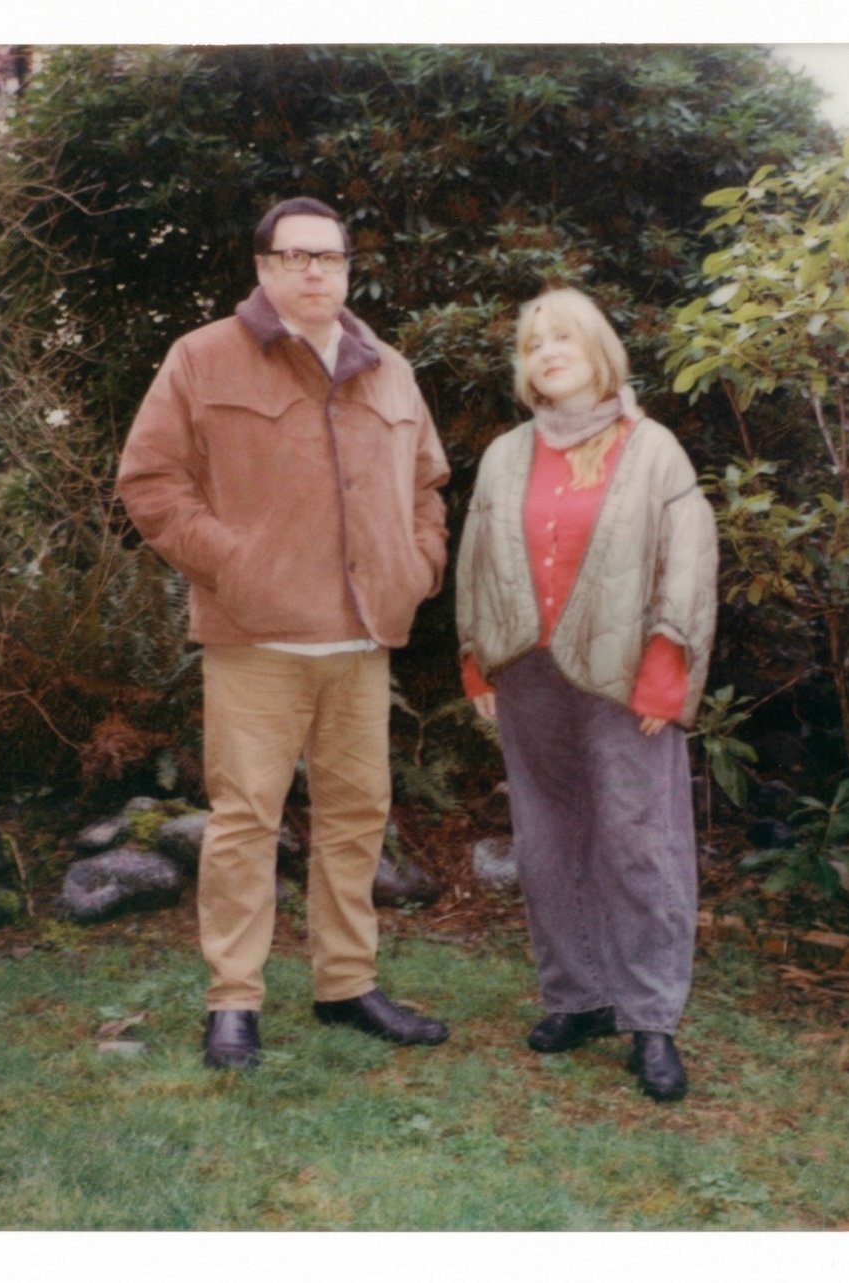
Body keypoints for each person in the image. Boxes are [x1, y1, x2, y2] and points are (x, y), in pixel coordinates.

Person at [117, 196, 452, 1071]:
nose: (314, 272)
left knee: (354, 818)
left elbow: (427, 489)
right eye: (296, 256)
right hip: (256, 639)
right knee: (245, 821)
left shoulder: (391, 370)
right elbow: (151, 481)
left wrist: (416, 566)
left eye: (330, 258)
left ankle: (346, 982)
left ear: (347, 268)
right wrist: (235, 561)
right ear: (263, 266)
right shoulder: (202, 358)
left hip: (361, 643)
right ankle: (233, 1000)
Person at [455, 286, 717, 1101]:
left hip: (624, 676)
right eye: (534, 343)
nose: (548, 353)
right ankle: (579, 997)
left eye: (564, 338)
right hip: (528, 674)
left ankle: (650, 1020)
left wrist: (667, 669)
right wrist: (476, 657)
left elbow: (689, 559)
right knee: (547, 841)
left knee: (640, 844)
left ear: (598, 350)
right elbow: (476, 558)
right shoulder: (504, 454)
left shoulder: (654, 449)